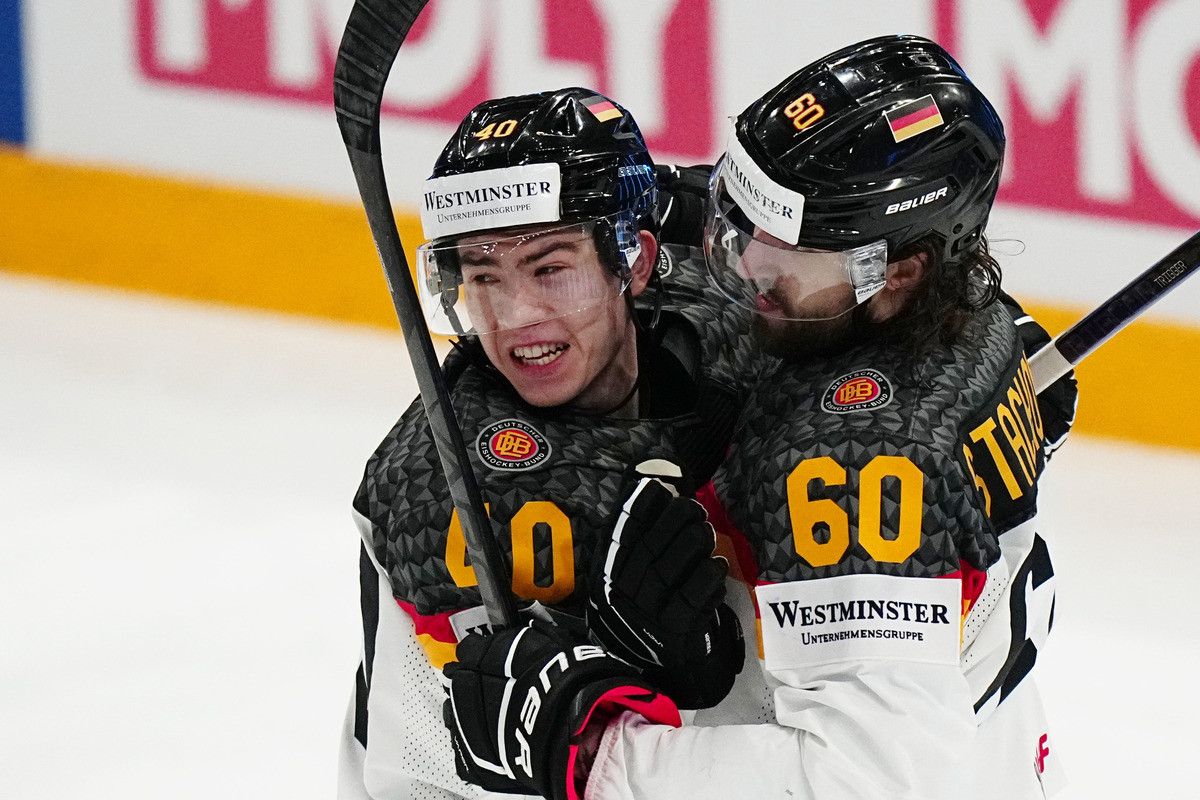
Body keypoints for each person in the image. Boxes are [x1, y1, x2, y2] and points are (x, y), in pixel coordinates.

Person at [442, 35, 1076, 800]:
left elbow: (880, 779)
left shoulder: (853, 460)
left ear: (897, 270)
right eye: (744, 216)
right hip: (1003, 745)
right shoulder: (964, 318)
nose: (746, 264)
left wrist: (596, 756)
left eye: (786, 246)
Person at [338, 87, 751, 800]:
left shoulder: (741, 318)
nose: (516, 317)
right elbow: (427, 776)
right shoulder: (446, 499)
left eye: (550, 269)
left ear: (638, 262)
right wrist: (604, 694)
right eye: (483, 277)